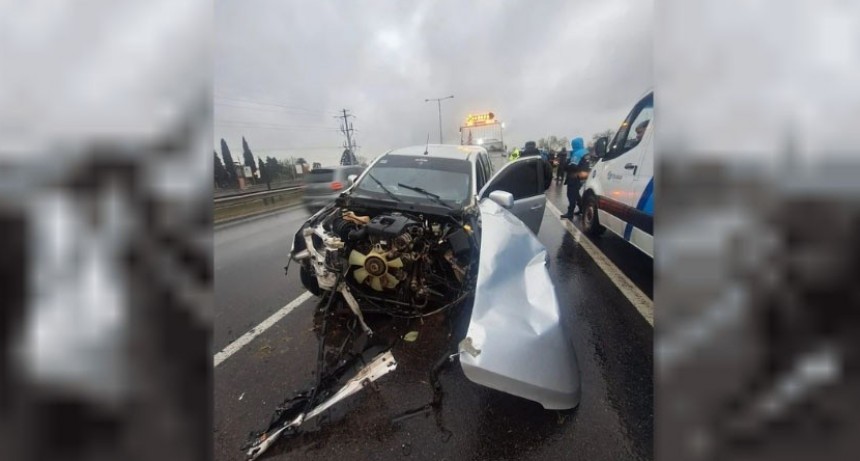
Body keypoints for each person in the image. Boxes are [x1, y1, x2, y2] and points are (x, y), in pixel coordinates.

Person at [561, 137, 588, 219]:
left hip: (574, 177)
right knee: (576, 194)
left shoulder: (577, 154)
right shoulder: (585, 152)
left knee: (571, 195)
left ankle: (570, 213)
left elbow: (572, 166)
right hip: (581, 177)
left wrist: (567, 163)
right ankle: (582, 209)